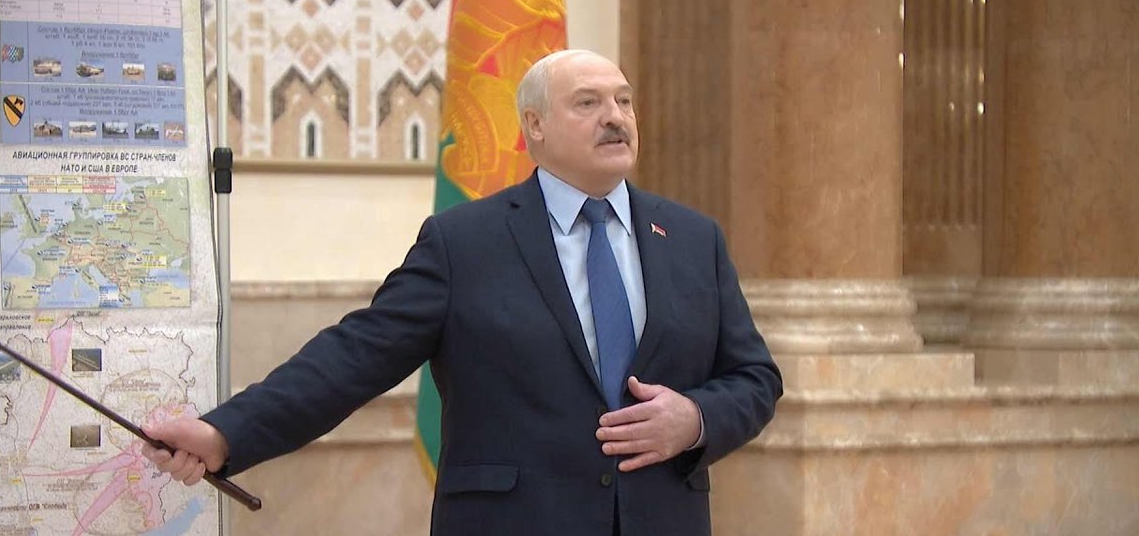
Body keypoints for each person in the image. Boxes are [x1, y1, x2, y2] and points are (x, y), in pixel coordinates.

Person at [142, 49, 782, 536]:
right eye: (588, 103)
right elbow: (353, 357)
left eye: (624, 101)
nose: (615, 117)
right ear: (534, 126)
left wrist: (696, 420)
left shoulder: (692, 239)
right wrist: (226, 434)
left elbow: (754, 377)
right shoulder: (465, 242)